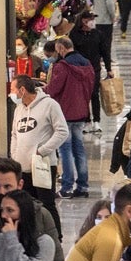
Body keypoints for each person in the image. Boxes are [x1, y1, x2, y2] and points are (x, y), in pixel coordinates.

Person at [10, 75, 68, 225]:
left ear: (22, 90)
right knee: (26, 206)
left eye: (12, 89)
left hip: (44, 165)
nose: (11, 93)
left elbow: (62, 131)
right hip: (23, 167)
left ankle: (56, 237)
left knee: (47, 204)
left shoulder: (50, 105)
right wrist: (14, 155)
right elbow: (14, 134)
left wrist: (42, 151)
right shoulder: (19, 109)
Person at [45, 37, 97, 198]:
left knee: (65, 149)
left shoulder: (63, 67)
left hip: (64, 112)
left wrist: (44, 89)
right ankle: (83, 186)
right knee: (79, 149)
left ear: (61, 48)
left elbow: (53, 89)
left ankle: (67, 187)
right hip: (81, 112)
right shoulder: (87, 64)